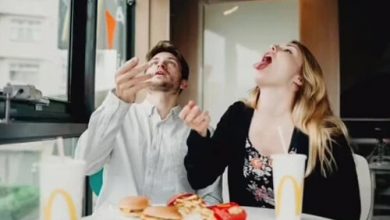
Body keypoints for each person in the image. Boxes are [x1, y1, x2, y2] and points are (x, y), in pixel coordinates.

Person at [180, 41, 361, 220]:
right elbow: (200, 177)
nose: (274, 46)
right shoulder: (237, 117)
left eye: (288, 50)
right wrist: (200, 134)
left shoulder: (325, 133)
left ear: (299, 79)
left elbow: (348, 210)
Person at [75, 40, 220, 208]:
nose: (161, 65)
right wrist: (118, 102)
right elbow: (85, 164)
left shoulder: (200, 130)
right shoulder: (118, 115)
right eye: (154, 63)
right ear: (144, 75)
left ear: (183, 83)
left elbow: (211, 195)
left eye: (170, 63)